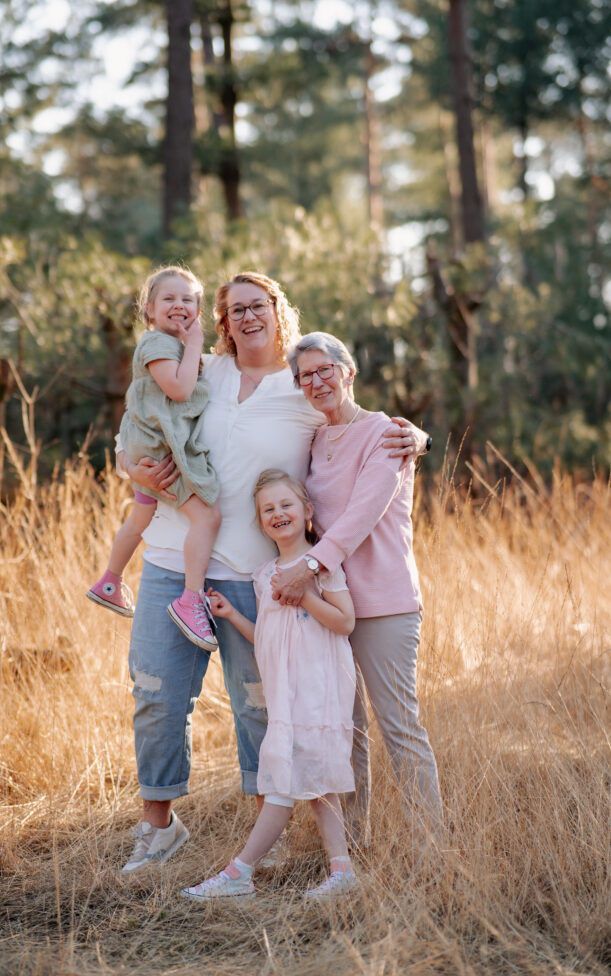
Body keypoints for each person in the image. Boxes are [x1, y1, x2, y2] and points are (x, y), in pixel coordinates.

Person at [114, 272, 429, 875]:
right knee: (157, 697)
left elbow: (355, 424)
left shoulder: (301, 386)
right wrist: (130, 463)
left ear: (278, 311)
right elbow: (140, 417)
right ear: (222, 322)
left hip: (258, 573)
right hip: (173, 560)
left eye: (258, 305)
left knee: (263, 707)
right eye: (235, 310)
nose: (248, 317)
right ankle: (158, 828)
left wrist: (416, 436)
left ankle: (272, 834)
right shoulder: (200, 370)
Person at [273, 332, 443, 850]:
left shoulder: (386, 434)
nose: (316, 381)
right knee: (345, 731)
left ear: (348, 372)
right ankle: (349, 851)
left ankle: (430, 853)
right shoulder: (313, 441)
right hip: (332, 605)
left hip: (384, 603)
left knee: (400, 728)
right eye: (305, 375)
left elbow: (361, 515)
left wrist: (307, 566)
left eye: (325, 369)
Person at [181, 469, 358, 901]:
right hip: (285, 694)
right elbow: (267, 636)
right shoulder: (263, 575)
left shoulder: (320, 565)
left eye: (286, 505)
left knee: (283, 780)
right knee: (318, 784)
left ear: (307, 510)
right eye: (268, 509)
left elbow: (345, 622)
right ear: (261, 522)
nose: (278, 513)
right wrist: (231, 615)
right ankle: (342, 871)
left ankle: (239, 872)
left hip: (318, 689)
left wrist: (305, 594)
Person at [87, 266, 221, 651]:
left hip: (146, 445)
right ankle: (190, 600)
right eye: (169, 298)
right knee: (208, 516)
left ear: (198, 309)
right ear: (149, 309)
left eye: (188, 299)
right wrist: (196, 343)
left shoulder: (166, 345)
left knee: (140, 517)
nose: (179, 305)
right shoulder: (157, 344)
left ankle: (110, 581)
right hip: (159, 451)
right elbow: (179, 390)